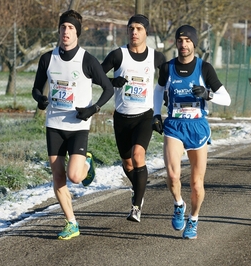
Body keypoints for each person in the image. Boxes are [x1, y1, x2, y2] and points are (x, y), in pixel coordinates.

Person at [31, 10, 114, 239]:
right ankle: (72, 223)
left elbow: (108, 88)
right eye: (63, 27)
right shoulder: (48, 58)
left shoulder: (87, 60)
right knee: (58, 177)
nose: (66, 32)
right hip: (54, 124)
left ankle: (87, 162)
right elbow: (36, 89)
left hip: (78, 126)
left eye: (70, 28)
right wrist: (40, 99)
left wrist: (93, 108)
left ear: (77, 32)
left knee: (75, 177)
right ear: (58, 30)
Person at [152, 25, 231, 239]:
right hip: (174, 125)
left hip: (197, 126)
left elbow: (227, 98)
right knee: (172, 174)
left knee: (197, 184)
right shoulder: (168, 68)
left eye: (188, 40)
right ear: (176, 43)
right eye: (180, 40)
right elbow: (159, 90)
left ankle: (193, 219)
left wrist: (207, 94)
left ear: (194, 44)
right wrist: (156, 115)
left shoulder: (204, 68)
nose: (183, 44)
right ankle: (179, 204)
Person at [101, 14, 166, 223]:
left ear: (146, 31)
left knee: (139, 156)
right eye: (131, 28)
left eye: (138, 28)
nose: (134, 32)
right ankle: (139, 189)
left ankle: (136, 206)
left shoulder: (156, 57)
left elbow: (167, 81)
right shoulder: (117, 55)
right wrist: (112, 81)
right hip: (121, 117)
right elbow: (96, 76)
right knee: (128, 165)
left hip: (144, 115)